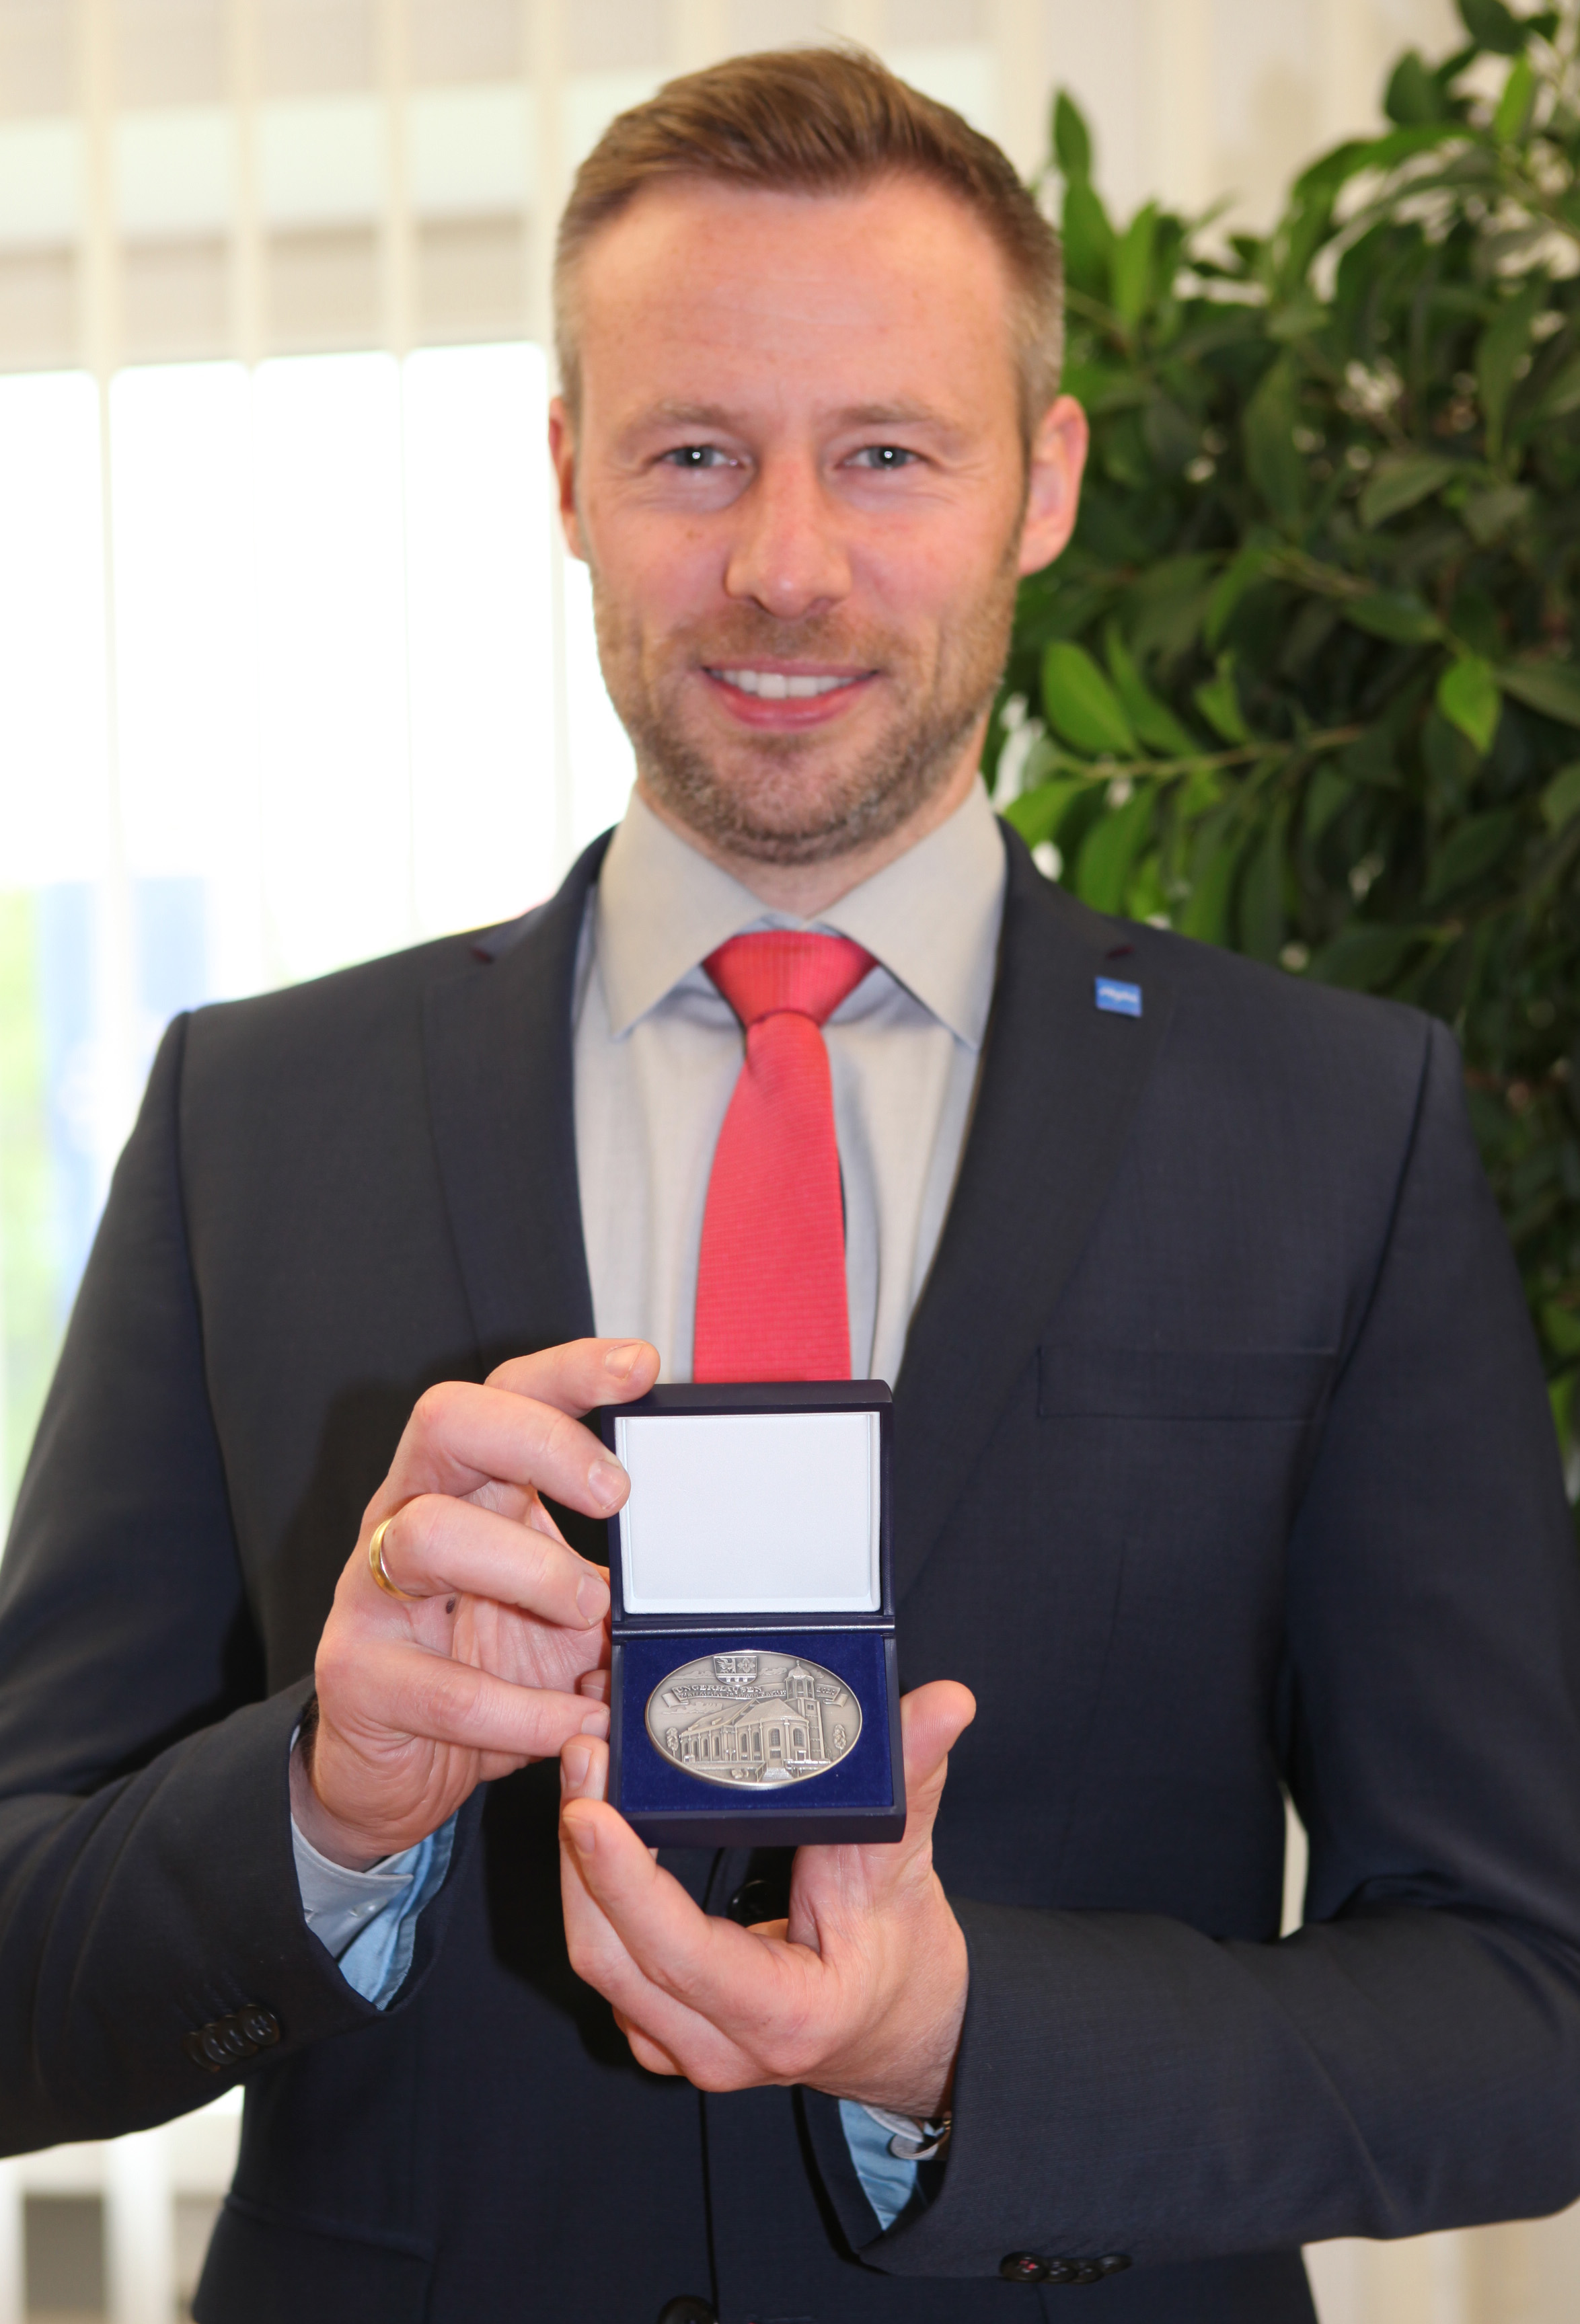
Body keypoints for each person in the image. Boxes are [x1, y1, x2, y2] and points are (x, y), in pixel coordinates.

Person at [2, 45, 1579, 2324]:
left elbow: (1525, 2016)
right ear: (564, 473)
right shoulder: (255, 1119)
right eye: (694, 454)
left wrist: (959, 2039)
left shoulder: (1342, 1127)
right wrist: (327, 1815)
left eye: (886, 454)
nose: (786, 564)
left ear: (1040, 481)